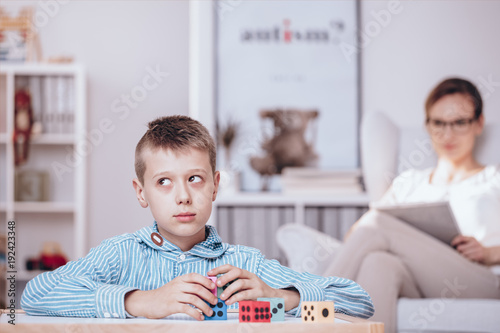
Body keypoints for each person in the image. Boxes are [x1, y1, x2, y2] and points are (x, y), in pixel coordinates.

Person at [21, 115, 374, 320]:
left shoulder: (244, 264)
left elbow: (359, 302)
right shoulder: (119, 255)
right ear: (141, 192)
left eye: (195, 178)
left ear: (215, 185)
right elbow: (35, 295)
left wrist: (282, 298)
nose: (183, 195)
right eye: (164, 182)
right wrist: (140, 301)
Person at [323, 78, 500, 333]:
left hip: (480, 278)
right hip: (418, 279)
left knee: (378, 223)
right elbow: (358, 235)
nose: (447, 134)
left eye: (459, 122)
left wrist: (489, 253)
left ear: (478, 123)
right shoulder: (409, 182)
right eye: (438, 123)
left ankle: (304, 304)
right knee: (377, 261)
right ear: (427, 126)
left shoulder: (493, 179)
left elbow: (376, 226)